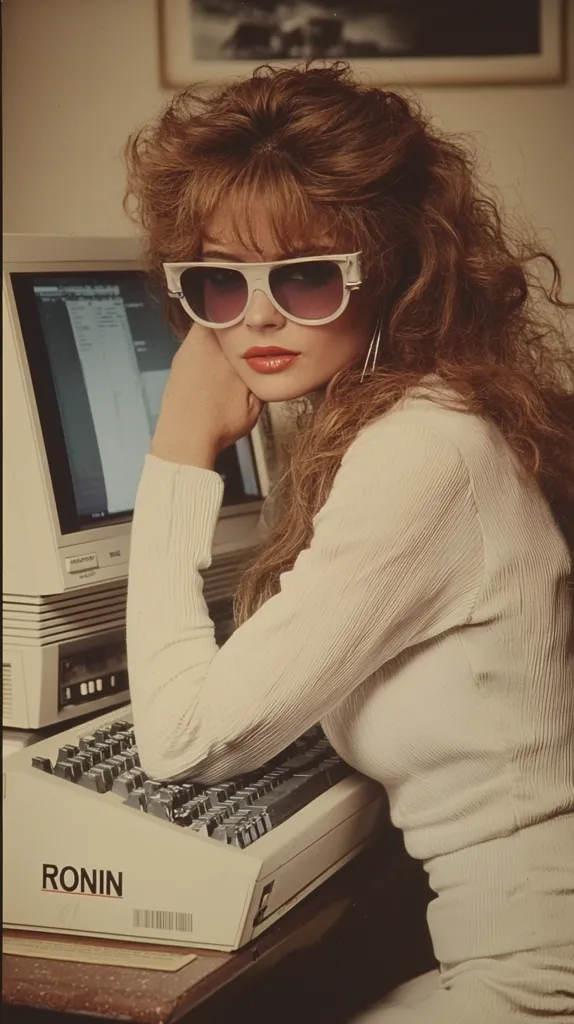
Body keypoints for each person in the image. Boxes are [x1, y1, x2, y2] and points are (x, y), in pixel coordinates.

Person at [123, 63, 574, 1022]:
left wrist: (176, 451)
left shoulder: (423, 451)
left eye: (308, 274)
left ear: (397, 269)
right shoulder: (421, 414)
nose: (259, 316)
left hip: (539, 984)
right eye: (219, 279)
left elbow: (185, 742)